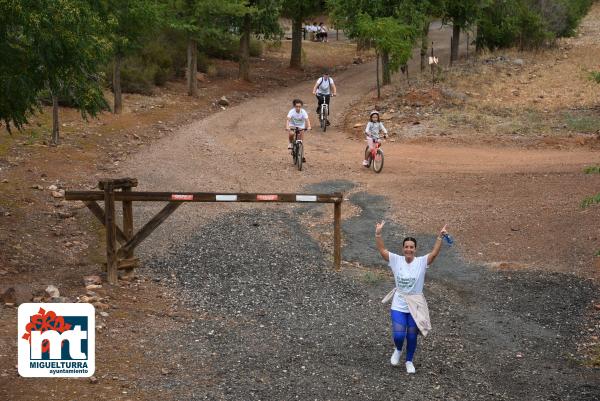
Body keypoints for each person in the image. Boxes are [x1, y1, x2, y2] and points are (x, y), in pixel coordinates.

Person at [375, 221, 448, 374]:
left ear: (415, 249)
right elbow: (382, 250)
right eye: (406, 247)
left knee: (412, 336)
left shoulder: (421, 262)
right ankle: (398, 349)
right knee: (399, 334)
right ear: (403, 249)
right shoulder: (396, 260)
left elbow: (434, 253)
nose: (409, 249)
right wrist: (378, 234)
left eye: (411, 247)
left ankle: (409, 361)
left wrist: (439, 237)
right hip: (399, 302)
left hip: (415, 303)